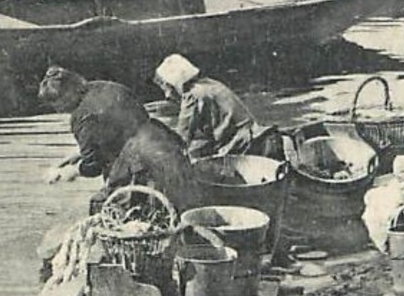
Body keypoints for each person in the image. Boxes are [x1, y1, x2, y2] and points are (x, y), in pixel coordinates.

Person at [37, 65, 200, 214]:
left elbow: (93, 166)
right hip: (165, 144)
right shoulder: (106, 87)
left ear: (68, 94)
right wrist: (72, 158)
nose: (58, 110)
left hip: (142, 162)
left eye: (57, 103)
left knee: (104, 207)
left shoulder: (82, 117)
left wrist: (70, 172)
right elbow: (118, 134)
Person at [154, 53, 281, 162]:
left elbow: (182, 138)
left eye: (166, 88)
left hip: (244, 144)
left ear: (173, 84)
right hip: (255, 136)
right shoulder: (210, 84)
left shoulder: (192, 96)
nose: (167, 95)